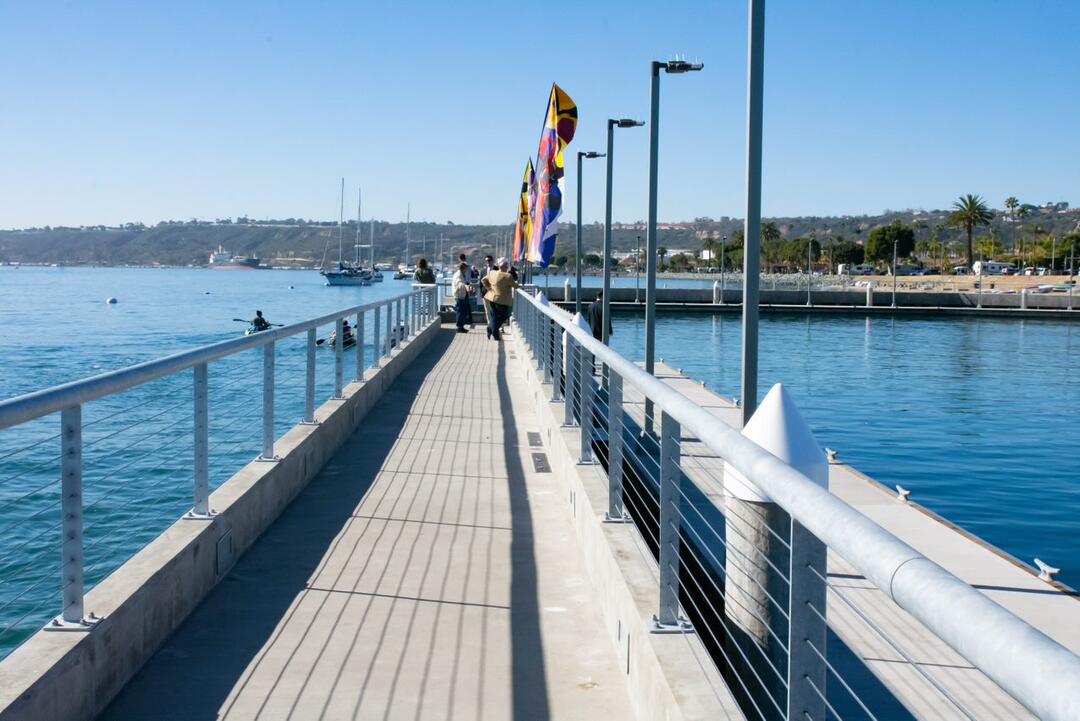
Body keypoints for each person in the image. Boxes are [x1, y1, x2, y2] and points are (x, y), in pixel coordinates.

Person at [481, 258, 517, 341]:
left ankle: (493, 331)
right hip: (501, 300)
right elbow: (515, 286)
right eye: (507, 266)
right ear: (504, 266)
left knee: (495, 317)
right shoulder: (508, 276)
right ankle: (492, 329)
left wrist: (488, 287)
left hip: (491, 298)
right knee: (505, 315)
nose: (507, 267)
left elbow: (483, 280)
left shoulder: (492, 273)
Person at [452, 262, 472, 333]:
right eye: (466, 268)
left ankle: (461, 326)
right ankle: (459, 327)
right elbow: (459, 283)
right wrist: (465, 286)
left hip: (463, 294)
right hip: (459, 295)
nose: (467, 269)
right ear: (463, 268)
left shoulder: (462, 274)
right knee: (460, 311)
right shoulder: (458, 275)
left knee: (464, 311)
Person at [479, 254, 497, 325]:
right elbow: (480, 283)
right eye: (486, 261)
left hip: (495, 294)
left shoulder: (497, 269)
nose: (488, 262)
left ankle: (497, 325)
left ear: (492, 261)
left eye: (489, 260)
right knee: (487, 310)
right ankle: (490, 324)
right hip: (485, 293)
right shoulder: (483, 271)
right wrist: (481, 294)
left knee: (495, 310)